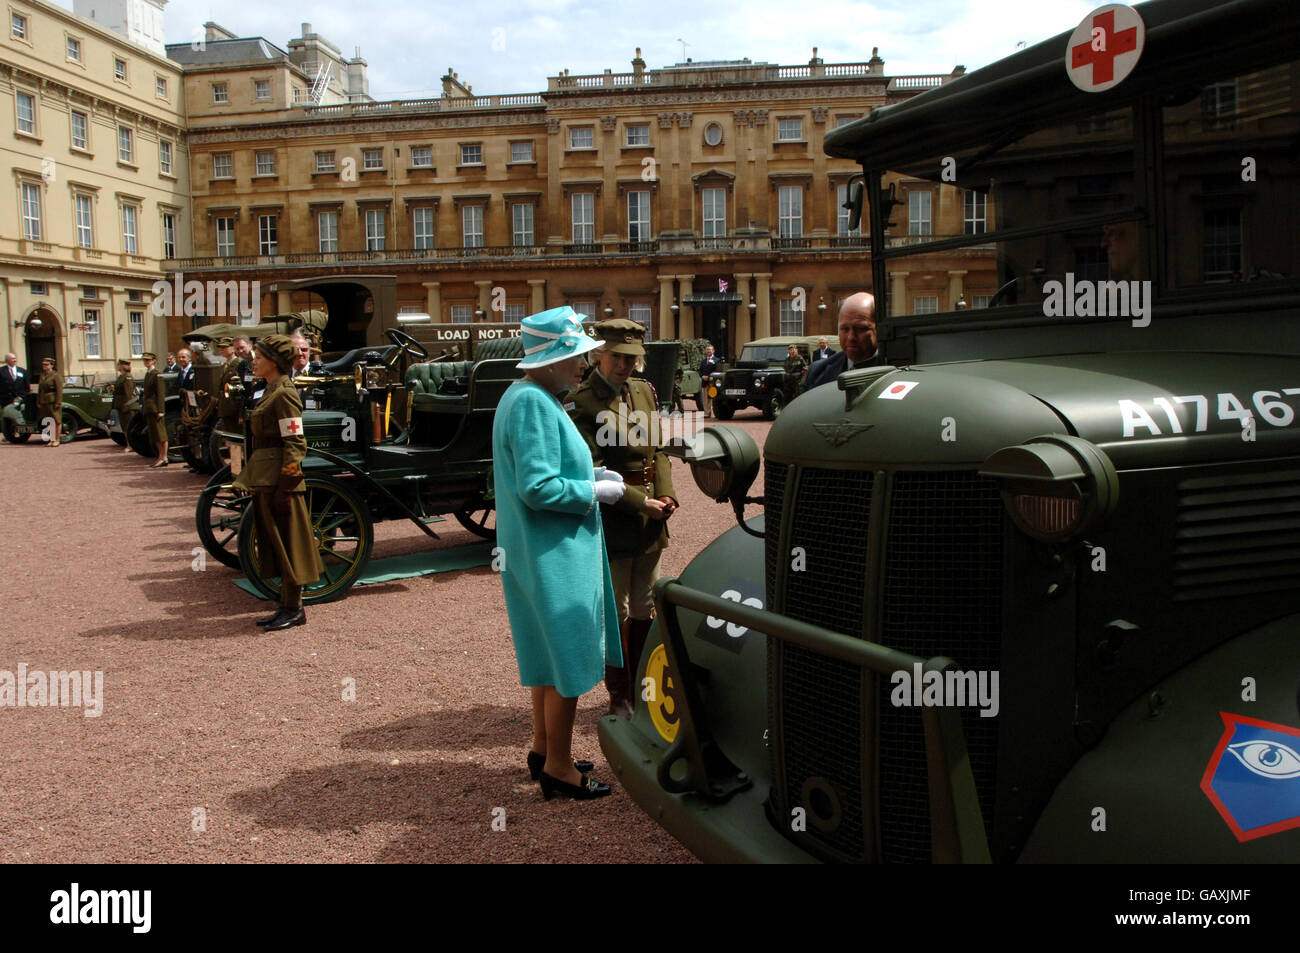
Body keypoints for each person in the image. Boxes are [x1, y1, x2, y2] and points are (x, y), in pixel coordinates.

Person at [492, 306, 621, 800]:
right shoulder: (534, 402)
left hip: (537, 548)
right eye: (575, 355)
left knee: (547, 655)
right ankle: (561, 769)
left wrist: (591, 480)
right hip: (553, 551)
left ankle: (544, 749)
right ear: (547, 360)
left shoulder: (525, 395)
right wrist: (593, 491)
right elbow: (540, 487)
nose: (583, 365)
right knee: (567, 657)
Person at [569, 318, 678, 720]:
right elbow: (590, 469)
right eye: (617, 356)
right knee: (614, 609)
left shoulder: (643, 392)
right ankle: (619, 694)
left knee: (645, 604)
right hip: (615, 516)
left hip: (651, 514)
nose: (625, 365)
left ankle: (643, 684)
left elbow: (659, 452)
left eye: (632, 358)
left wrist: (666, 493)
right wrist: (641, 503)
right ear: (600, 354)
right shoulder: (583, 402)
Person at [232, 335, 323, 631]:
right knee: (278, 543)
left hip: (279, 480)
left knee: (290, 544)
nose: (253, 361)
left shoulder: (283, 393)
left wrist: (286, 485)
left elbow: (295, 443)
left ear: (273, 361)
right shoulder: (270, 389)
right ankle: (286, 606)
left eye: (258, 356)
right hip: (267, 477)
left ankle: (294, 609)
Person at [805, 292, 884, 390]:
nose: (851, 337)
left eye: (860, 328)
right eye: (845, 329)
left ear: (878, 329)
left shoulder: (900, 371)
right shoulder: (817, 373)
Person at [215, 337, 245, 473]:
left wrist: (240, 413)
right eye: (221, 348)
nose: (222, 350)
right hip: (226, 409)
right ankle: (235, 472)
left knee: (238, 443)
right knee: (231, 443)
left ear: (232, 349)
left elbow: (242, 390)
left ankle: (239, 472)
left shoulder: (238, 364)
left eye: (225, 347)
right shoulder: (225, 365)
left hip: (234, 410)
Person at [139, 351, 168, 467]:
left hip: (155, 407)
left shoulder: (157, 374)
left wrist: (161, 410)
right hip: (149, 407)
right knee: (154, 434)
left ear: (153, 361)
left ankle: (164, 456)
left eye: (148, 360)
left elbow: (160, 394)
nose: (146, 362)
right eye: (145, 360)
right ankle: (160, 456)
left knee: (161, 434)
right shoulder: (148, 373)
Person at [111, 358, 137, 454]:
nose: (117, 366)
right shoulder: (122, 377)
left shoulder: (127, 377)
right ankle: (129, 444)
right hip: (122, 406)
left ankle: (131, 445)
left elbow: (128, 394)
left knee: (128, 427)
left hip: (127, 406)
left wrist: (125, 406)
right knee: (125, 427)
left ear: (122, 366)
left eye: (118, 365)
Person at [36, 357, 63, 446]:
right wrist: (38, 401)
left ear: (51, 365)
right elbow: (40, 389)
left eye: (46, 364)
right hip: (44, 401)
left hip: (53, 400)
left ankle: (57, 440)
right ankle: (51, 440)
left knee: (56, 420)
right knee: (48, 421)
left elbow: (59, 390)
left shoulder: (55, 375)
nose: (44, 366)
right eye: (43, 364)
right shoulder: (42, 375)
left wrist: (58, 402)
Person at [698, 343, 720, 417]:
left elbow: (717, 370)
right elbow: (700, 371)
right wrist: (702, 376)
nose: (708, 351)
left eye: (710, 350)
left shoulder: (717, 360)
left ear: (713, 351)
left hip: (712, 382)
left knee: (712, 398)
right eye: (707, 350)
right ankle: (707, 413)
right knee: (705, 398)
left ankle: (714, 412)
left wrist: (709, 376)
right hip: (704, 382)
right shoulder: (703, 361)